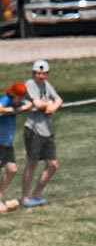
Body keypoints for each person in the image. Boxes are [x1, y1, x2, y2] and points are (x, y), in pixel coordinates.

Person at [20, 60, 62, 208]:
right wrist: (48, 104)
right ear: (34, 73)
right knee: (32, 163)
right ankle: (25, 197)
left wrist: (54, 106)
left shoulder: (46, 85)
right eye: (38, 73)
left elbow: (58, 99)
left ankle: (36, 194)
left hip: (47, 130)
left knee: (53, 165)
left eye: (44, 73)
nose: (41, 76)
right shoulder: (30, 84)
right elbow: (37, 103)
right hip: (34, 129)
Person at [0, 82, 30, 212]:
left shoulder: (19, 103)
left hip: (8, 143)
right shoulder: (6, 99)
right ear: (14, 94)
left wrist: (20, 109)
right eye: (20, 97)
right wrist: (8, 110)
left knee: (12, 169)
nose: (22, 99)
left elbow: (30, 104)